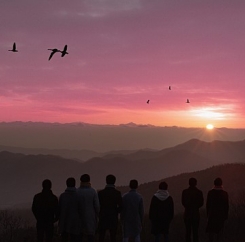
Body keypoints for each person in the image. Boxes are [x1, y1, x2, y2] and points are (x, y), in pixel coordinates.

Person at [98, 174, 122, 241]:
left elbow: (97, 205)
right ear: (114, 181)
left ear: (106, 181)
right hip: (113, 217)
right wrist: (116, 211)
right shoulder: (117, 193)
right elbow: (121, 206)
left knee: (101, 236)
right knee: (113, 236)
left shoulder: (101, 193)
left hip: (103, 216)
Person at [77, 174, 100, 241]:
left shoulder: (77, 191)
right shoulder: (93, 191)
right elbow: (97, 206)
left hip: (79, 218)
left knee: (79, 237)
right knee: (90, 237)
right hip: (91, 218)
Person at [58, 177, 81, 241]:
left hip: (64, 223)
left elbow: (59, 210)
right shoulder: (78, 196)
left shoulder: (62, 196)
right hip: (76, 224)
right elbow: (81, 210)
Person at [206, 177, 229, 241]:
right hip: (221, 216)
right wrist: (226, 216)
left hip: (212, 215)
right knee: (220, 233)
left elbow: (208, 205)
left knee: (211, 233)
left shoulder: (210, 193)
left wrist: (207, 215)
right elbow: (226, 206)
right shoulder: (224, 193)